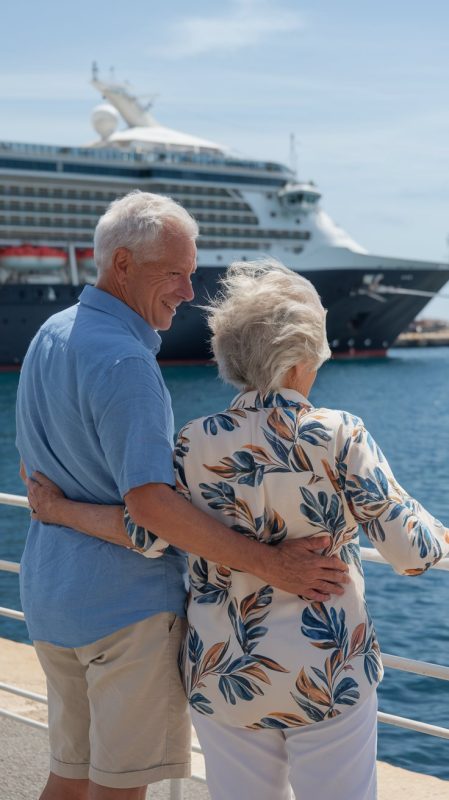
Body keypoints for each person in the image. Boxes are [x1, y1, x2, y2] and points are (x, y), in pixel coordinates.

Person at [17, 198, 350, 800]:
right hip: (124, 616)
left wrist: (60, 510)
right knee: (120, 788)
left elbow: (32, 467)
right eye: (173, 272)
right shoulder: (125, 362)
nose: (188, 289)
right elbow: (150, 509)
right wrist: (275, 564)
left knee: (67, 778)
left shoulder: (51, 334)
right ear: (122, 263)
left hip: (51, 597)